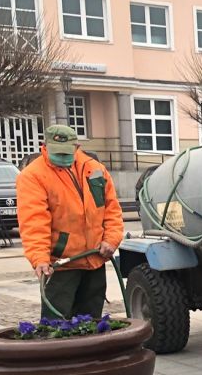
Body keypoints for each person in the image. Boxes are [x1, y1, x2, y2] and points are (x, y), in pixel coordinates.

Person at [16, 125, 123, 319]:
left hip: (94, 261)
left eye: (67, 153)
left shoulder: (95, 169)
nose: (62, 157)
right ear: (45, 147)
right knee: (56, 329)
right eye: (57, 152)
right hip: (61, 266)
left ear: (77, 147)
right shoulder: (33, 176)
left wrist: (111, 239)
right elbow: (34, 222)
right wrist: (39, 258)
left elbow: (111, 210)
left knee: (91, 325)